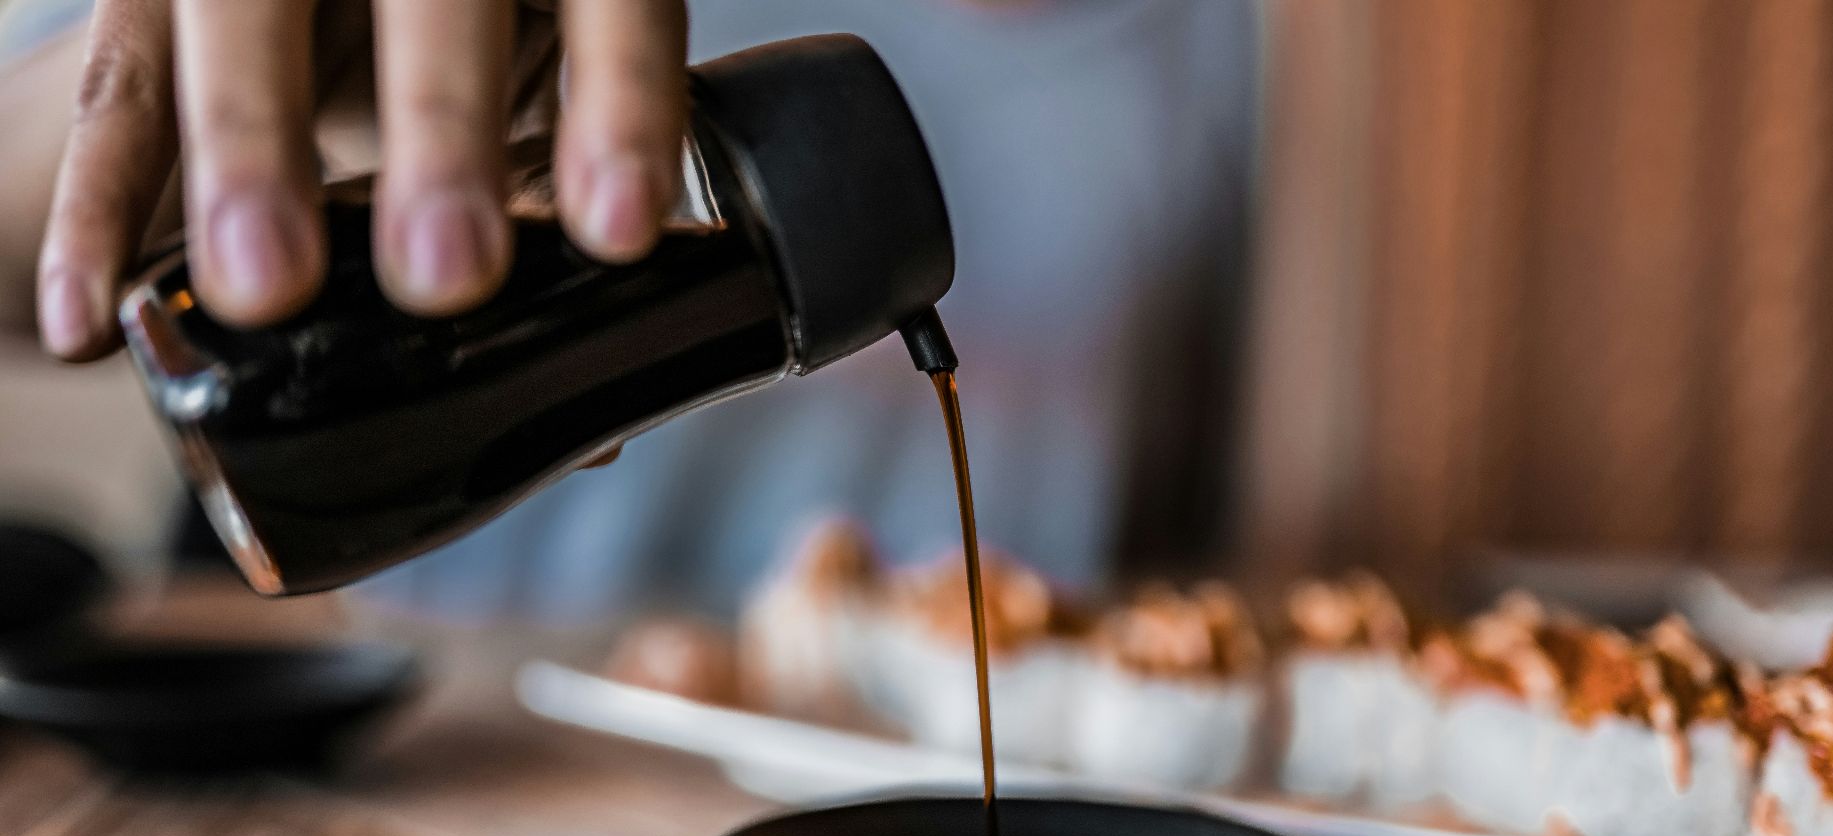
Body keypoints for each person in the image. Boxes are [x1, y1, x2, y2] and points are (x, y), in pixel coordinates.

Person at [0, 0, 1259, 618]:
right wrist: (174, 148)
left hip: (948, 784)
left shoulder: (1236, 39)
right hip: (449, 744)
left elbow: (1223, 482)